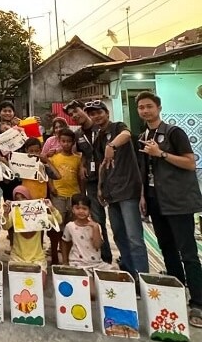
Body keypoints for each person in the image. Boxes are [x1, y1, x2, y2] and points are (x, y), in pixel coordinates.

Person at [136, 91, 202, 328]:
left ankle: (198, 302)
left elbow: (190, 162)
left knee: (188, 252)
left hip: (178, 200)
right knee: (167, 249)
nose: (145, 111)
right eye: (141, 108)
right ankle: (177, 291)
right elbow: (145, 170)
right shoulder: (143, 136)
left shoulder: (174, 133)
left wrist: (161, 153)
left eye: (149, 106)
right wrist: (143, 196)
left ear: (159, 107)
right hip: (156, 200)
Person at [87, 100, 149, 282]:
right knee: (119, 234)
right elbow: (101, 165)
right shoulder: (98, 136)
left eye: (99, 112)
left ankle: (142, 277)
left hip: (128, 190)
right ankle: (129, 272)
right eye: (92, 114)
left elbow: (127, 134)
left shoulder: (117, 127)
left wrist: (111, 145)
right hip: (110, 192)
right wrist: (99, 187)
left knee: (134, 237)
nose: (96, 116)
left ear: (106, 112)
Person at [63, 99, 112, 263]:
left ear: (84, 110)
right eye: (71, 115)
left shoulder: (102, 128)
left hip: (112, 178)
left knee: (120, 223)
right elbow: (82, 153)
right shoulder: (78, 135)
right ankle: (103, 257)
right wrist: (83, 164)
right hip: (92, 181)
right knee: (98, 219)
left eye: (76, 111)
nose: (75, 116)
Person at [2, 185, 62, 287]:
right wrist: (6, 213)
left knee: (39, 287)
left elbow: (58, 220)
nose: (21, 200)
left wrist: (51, 207)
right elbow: (5, 226)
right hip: (17, 259)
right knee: (18, 287)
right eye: (17, 199)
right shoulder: (14, 214)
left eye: (23, 197)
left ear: (29, 198)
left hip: (37, 260)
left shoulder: (38, 213)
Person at [61, 194, 113, 298]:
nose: (81, 211)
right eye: (77, 208)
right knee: (92, 294)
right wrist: (65, 261)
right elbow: (64, 242)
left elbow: (97, 245)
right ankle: (91, 283)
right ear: (72, 209)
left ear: (89, 210)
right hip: (79, 264)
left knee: (119, 277)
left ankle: (96, 281)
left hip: (97, 263)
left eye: (84, 208)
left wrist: (95, 228)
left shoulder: (95, 226)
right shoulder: (70, 226)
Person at [48, 127, 85, 264]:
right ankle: (53, 253)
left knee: (70, 228)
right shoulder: (54, 158)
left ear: (73, 142)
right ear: (59, 141)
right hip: (58, 196)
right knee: (56, 226)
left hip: (74, 196)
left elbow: (80, 178)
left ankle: (67, 257)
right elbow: (49, 176)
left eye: (69, 141)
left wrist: (82, 194)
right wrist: (51, 188)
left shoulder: (77, 159)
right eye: (63, 141)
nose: (66, 144)